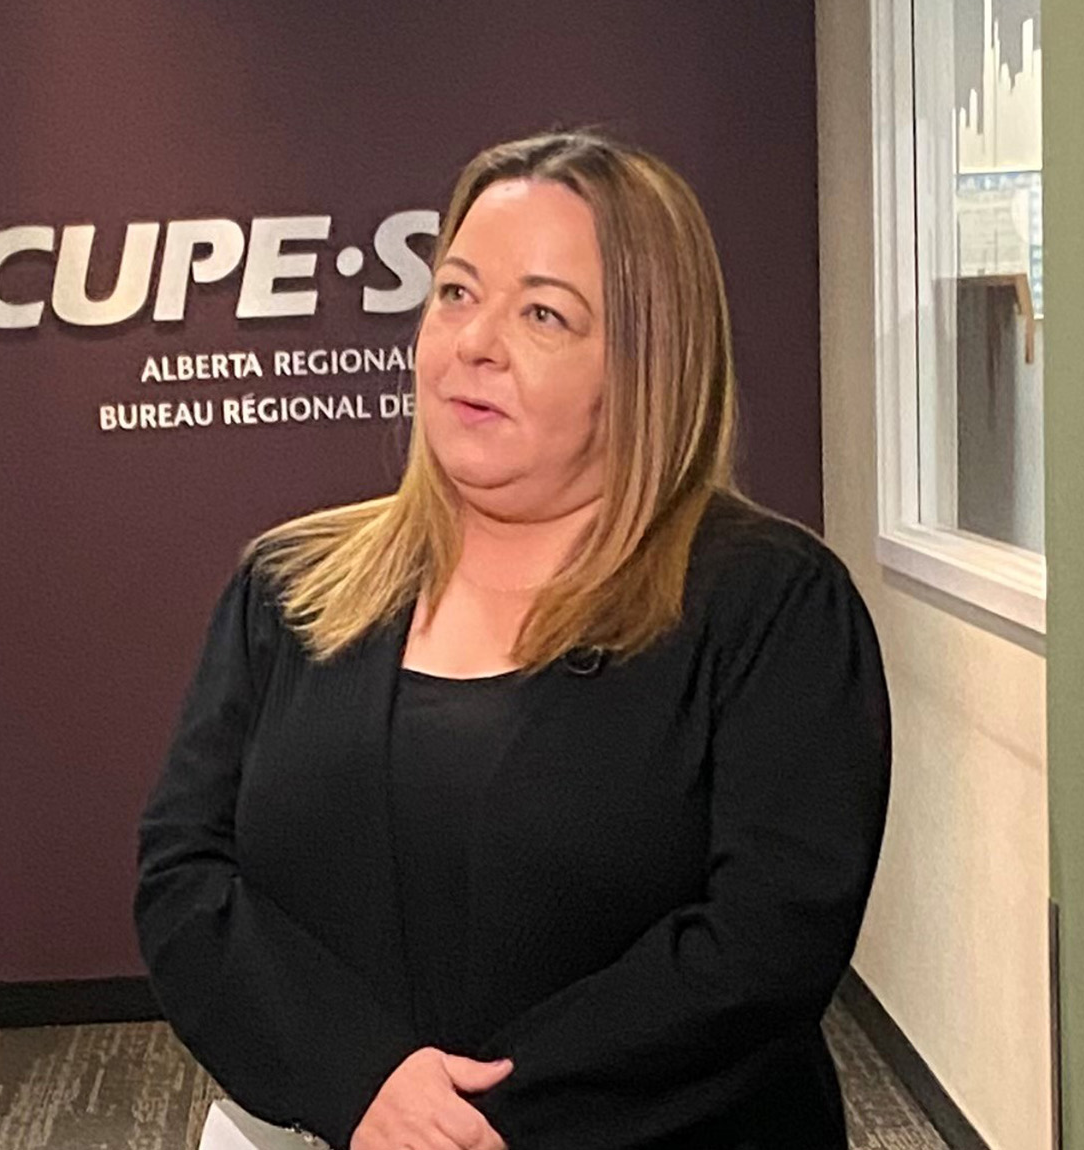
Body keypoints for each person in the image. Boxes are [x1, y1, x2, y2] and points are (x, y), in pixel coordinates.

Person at [134, 131, 892, 1150]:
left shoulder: (772, 606)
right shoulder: (290, 587)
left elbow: (765, 942)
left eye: (542, 312)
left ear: (646, 362)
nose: (474, 341)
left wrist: (467, 1120)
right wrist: (359, 1083)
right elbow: (187, 877)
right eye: (455, 293)